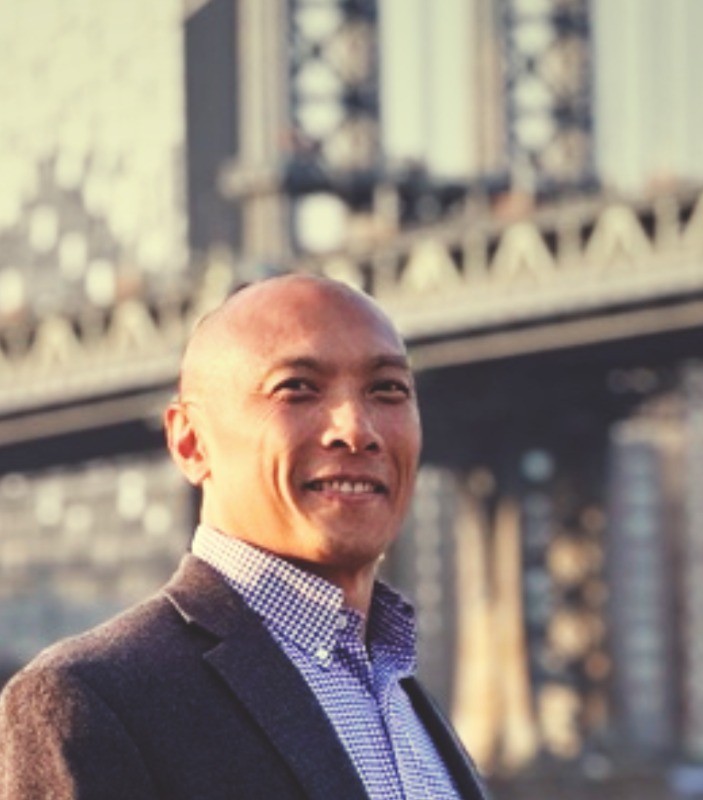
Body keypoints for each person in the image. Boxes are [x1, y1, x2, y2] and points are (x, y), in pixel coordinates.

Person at [0, 275, 489, 800]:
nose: (356, 430)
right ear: (190, 442)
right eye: (297, 388)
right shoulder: (91, 699)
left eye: (388, 389)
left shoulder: (407, 700)